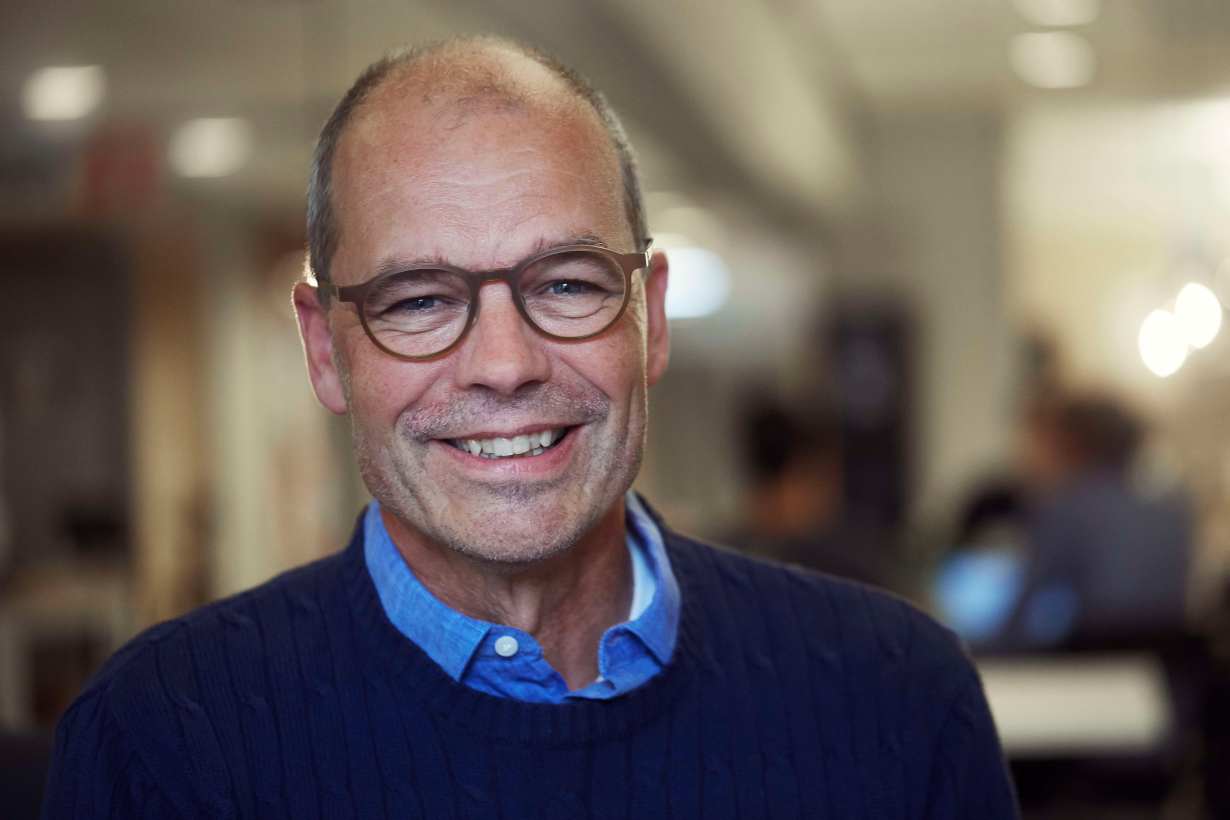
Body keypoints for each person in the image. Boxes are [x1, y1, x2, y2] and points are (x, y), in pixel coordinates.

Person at [41, 36, 1018, 817]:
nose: (506, 365)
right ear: (326, 350)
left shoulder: (898, 701)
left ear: (650, 319)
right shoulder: (161, 744)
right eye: (419, 300)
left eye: (567, 284)